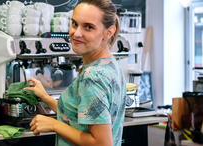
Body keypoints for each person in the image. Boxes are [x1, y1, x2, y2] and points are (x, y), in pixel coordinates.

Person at [24, 0, 126, 145]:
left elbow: (102, 144)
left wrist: (55, 125)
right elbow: (80, 115)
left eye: (88, 27)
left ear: (108, 32)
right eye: (75, 24)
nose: (76, 33)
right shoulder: (110, 64)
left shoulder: (92, 77)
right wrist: (45, 97)